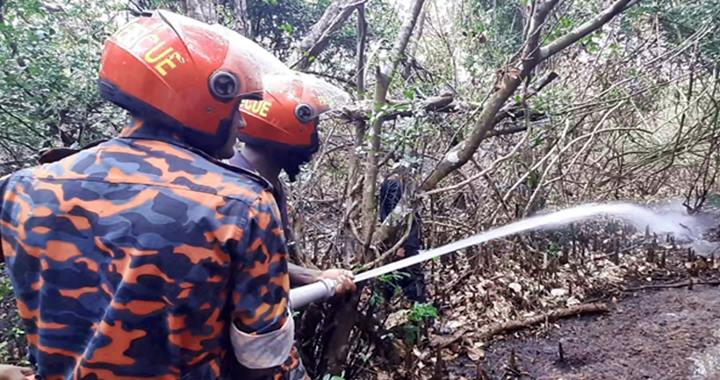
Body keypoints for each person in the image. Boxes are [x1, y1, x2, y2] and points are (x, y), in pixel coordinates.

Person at [0, 10, 304, 379]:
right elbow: (262, 356)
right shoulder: (240, 204)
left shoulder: (23, 187)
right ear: (200, 100)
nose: (241, 123)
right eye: (237, 106)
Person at [230, 72, 355, 295]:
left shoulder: (268, 184)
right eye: (313, 128)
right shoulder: (234, 189)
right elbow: (248, 264)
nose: (314, 141)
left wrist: (317, 276)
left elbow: (267, 258)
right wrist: (315, 276)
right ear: (287, 130)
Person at [378, 165, 427, 303]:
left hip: (402, 239)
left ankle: (386, 305)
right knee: (412, 277)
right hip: (404, 241)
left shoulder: (398, 183)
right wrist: (399, 244)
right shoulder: (395, 184)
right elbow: (394, 215)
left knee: (394, 274)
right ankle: (420, 312)